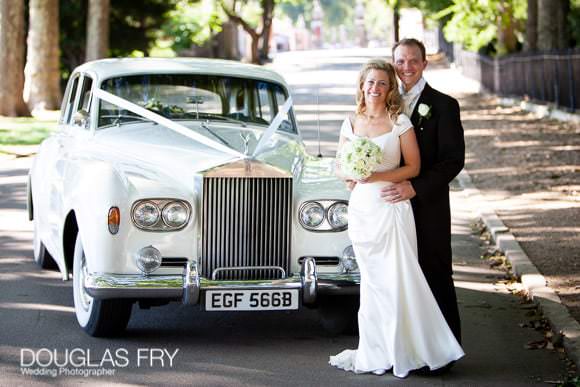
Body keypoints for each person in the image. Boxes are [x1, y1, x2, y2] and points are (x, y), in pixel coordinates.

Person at [329, 59, 464, 378]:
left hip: (391, 207)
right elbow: (338, 163)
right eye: (369, 82)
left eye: (381, 83)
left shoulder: (399, 121)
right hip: (363, 210)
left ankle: (414, 348)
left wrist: (375, 176)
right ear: (361, 85)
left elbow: (413, 168)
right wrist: (349, 174)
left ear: (390, 89)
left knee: (398, 280)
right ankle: (378, 349)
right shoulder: (350, 121)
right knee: (373, 284)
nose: (374, 88)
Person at [381, 38, 465, 345]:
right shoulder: (383, 104)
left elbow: (453, 161)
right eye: (400, 61)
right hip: (389, 206)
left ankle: (445, 350)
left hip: (428, 205)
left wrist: (415, 187)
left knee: (435, 274)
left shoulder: (444, 105)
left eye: (413, 61)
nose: (406, 67)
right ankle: (405, 347)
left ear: (424, 64)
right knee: (399, 278)